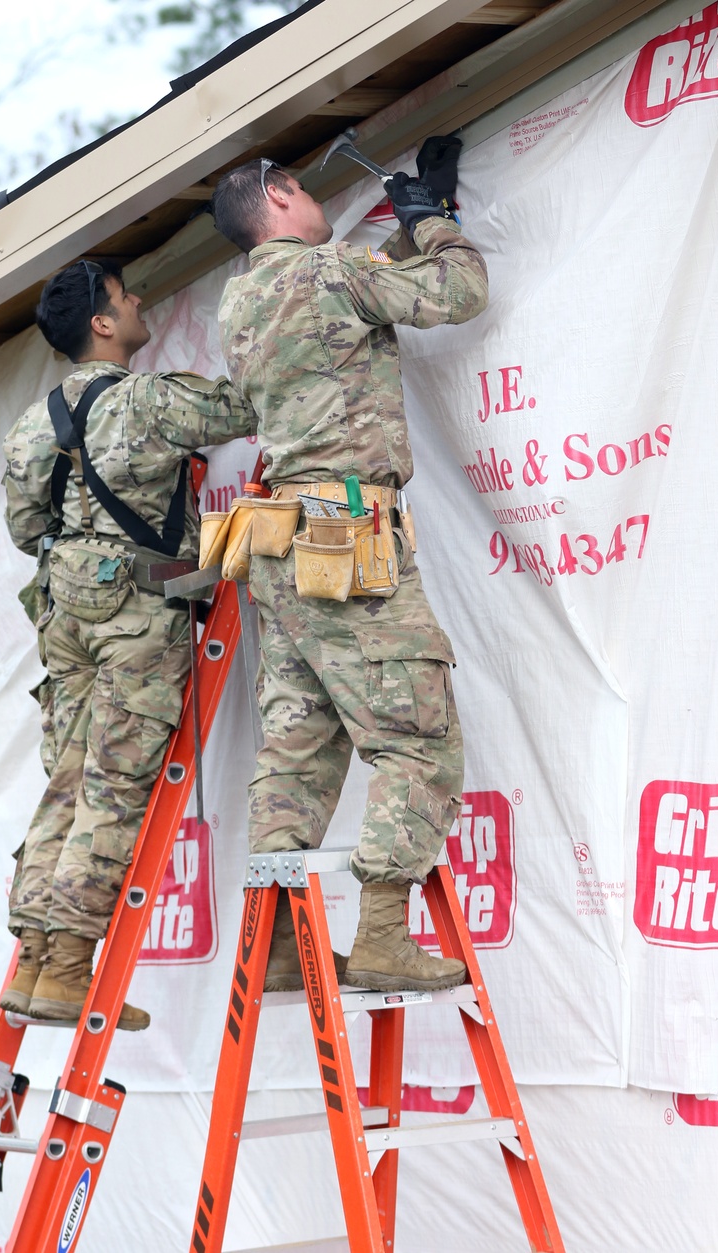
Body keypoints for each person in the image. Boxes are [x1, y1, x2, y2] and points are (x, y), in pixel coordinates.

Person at [210, 157, 488, 992]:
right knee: (418, 738)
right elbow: (456, 292)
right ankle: (379, 935)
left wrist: (402, 229)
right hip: (348, 538)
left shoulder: (238, 301)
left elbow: (356, 308)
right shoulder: (335, 270)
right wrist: (433, 220)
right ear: (281, 196)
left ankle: (281, 945)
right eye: (308, 188)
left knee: (297, 744)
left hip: (279, 545)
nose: (324, 202)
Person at [1, 258, 256, 1026]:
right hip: (133, 615)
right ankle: (73, 964)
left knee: (68, 781)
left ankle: (36, 965)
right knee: (114, 786)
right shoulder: (145, 401)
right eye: (125, 295)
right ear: (103, 324)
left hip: (64, 616)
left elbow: (24, 531)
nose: (140, 298)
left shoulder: (31, 422)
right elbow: (246, 406)